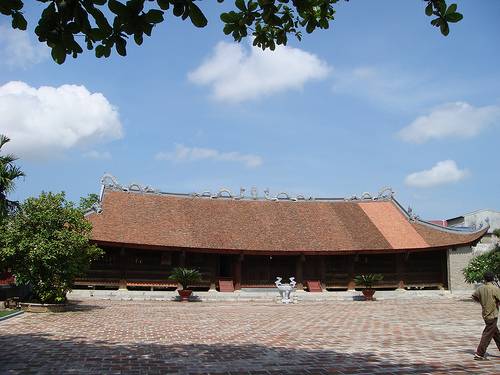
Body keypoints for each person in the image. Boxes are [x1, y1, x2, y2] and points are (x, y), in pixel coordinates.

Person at [472, 271, 500, 360]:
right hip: (492, 314)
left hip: (485, 314)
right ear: (493, 279)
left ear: (484, 279)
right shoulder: (495, 289)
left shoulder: (480, 288)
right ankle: (479, 354)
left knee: (496, 333)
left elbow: (474, 296)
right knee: (487, 335)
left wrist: (482, 302)